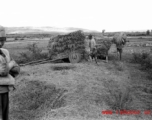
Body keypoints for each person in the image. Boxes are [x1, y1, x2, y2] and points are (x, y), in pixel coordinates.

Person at [0, 25, 20, 120]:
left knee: (4, 116)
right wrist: (10, 65)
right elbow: (4, 71)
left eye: (2, 39)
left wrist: (10, 65)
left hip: (4, 90)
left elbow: (17, 69)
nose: (0, 43)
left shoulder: (5, 52)